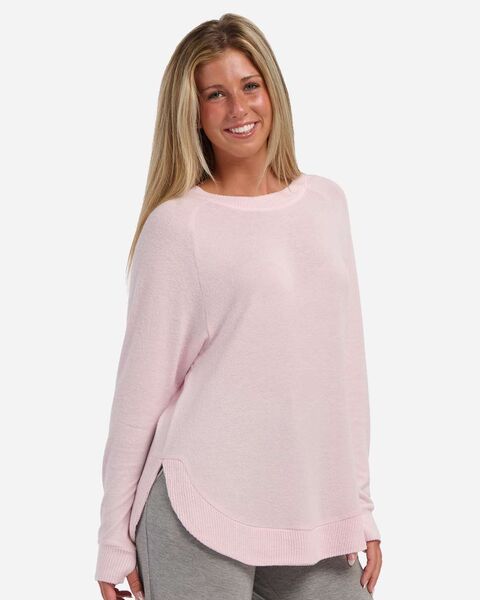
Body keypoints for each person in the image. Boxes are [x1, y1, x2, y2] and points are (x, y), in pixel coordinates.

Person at [95, 12, 383, 600]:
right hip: (196, 510)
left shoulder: (327, 204)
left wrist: (359, 509)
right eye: (215, 95)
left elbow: (344, 373)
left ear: (272, 89)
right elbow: (140, 392)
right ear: (194, 113)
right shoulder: (178, 227)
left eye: (249, 86)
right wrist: (111, 539)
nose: (238, 108)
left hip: (306, 512)